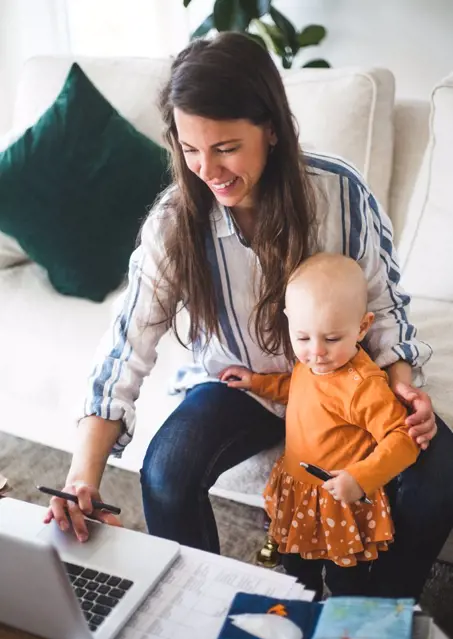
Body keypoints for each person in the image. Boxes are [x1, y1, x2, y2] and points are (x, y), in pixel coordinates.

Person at [44, 32, 453, 599]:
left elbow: (385, 313)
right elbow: (126, 346)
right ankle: (199, 609)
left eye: (226, 147)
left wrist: (405, 389)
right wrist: (80, 477)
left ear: (273, 129)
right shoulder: (174, 221)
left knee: (438, 477)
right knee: (165, 472)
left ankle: (371, 616)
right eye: (190, 148)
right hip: (242, 385)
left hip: (340, 383)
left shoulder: (341, 195)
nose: (206, 169)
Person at [219, 253, 420, 597]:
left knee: (345, 580)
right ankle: (302, 608)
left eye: (331, 339)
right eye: (304, 338)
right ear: (289, 323)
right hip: (298, 491)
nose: (317, 352)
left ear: (362, 326)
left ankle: (341, 626)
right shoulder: (306, 364)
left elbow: (403, 439)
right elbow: (296, 391)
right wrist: (256, 382)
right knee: (296, 570)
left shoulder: (362, 384)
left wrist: (361, 479)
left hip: (340, 498)